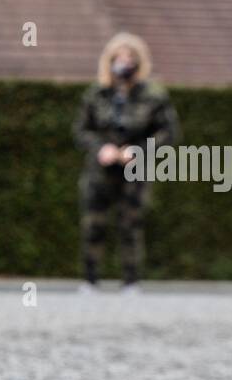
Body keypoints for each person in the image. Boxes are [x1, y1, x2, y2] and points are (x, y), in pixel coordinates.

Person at [74, 33, 179, 293]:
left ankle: (131, 281)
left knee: (130, 225)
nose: (124, 62)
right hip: (100, 171)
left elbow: (169, 132)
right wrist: (101, 148)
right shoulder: (96, 94)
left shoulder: (153, 96)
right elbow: (81, 130)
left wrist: (140, 150)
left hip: (135, 170)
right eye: (119, 57)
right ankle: (90, 280)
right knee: (93, 224)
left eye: (130, 57)